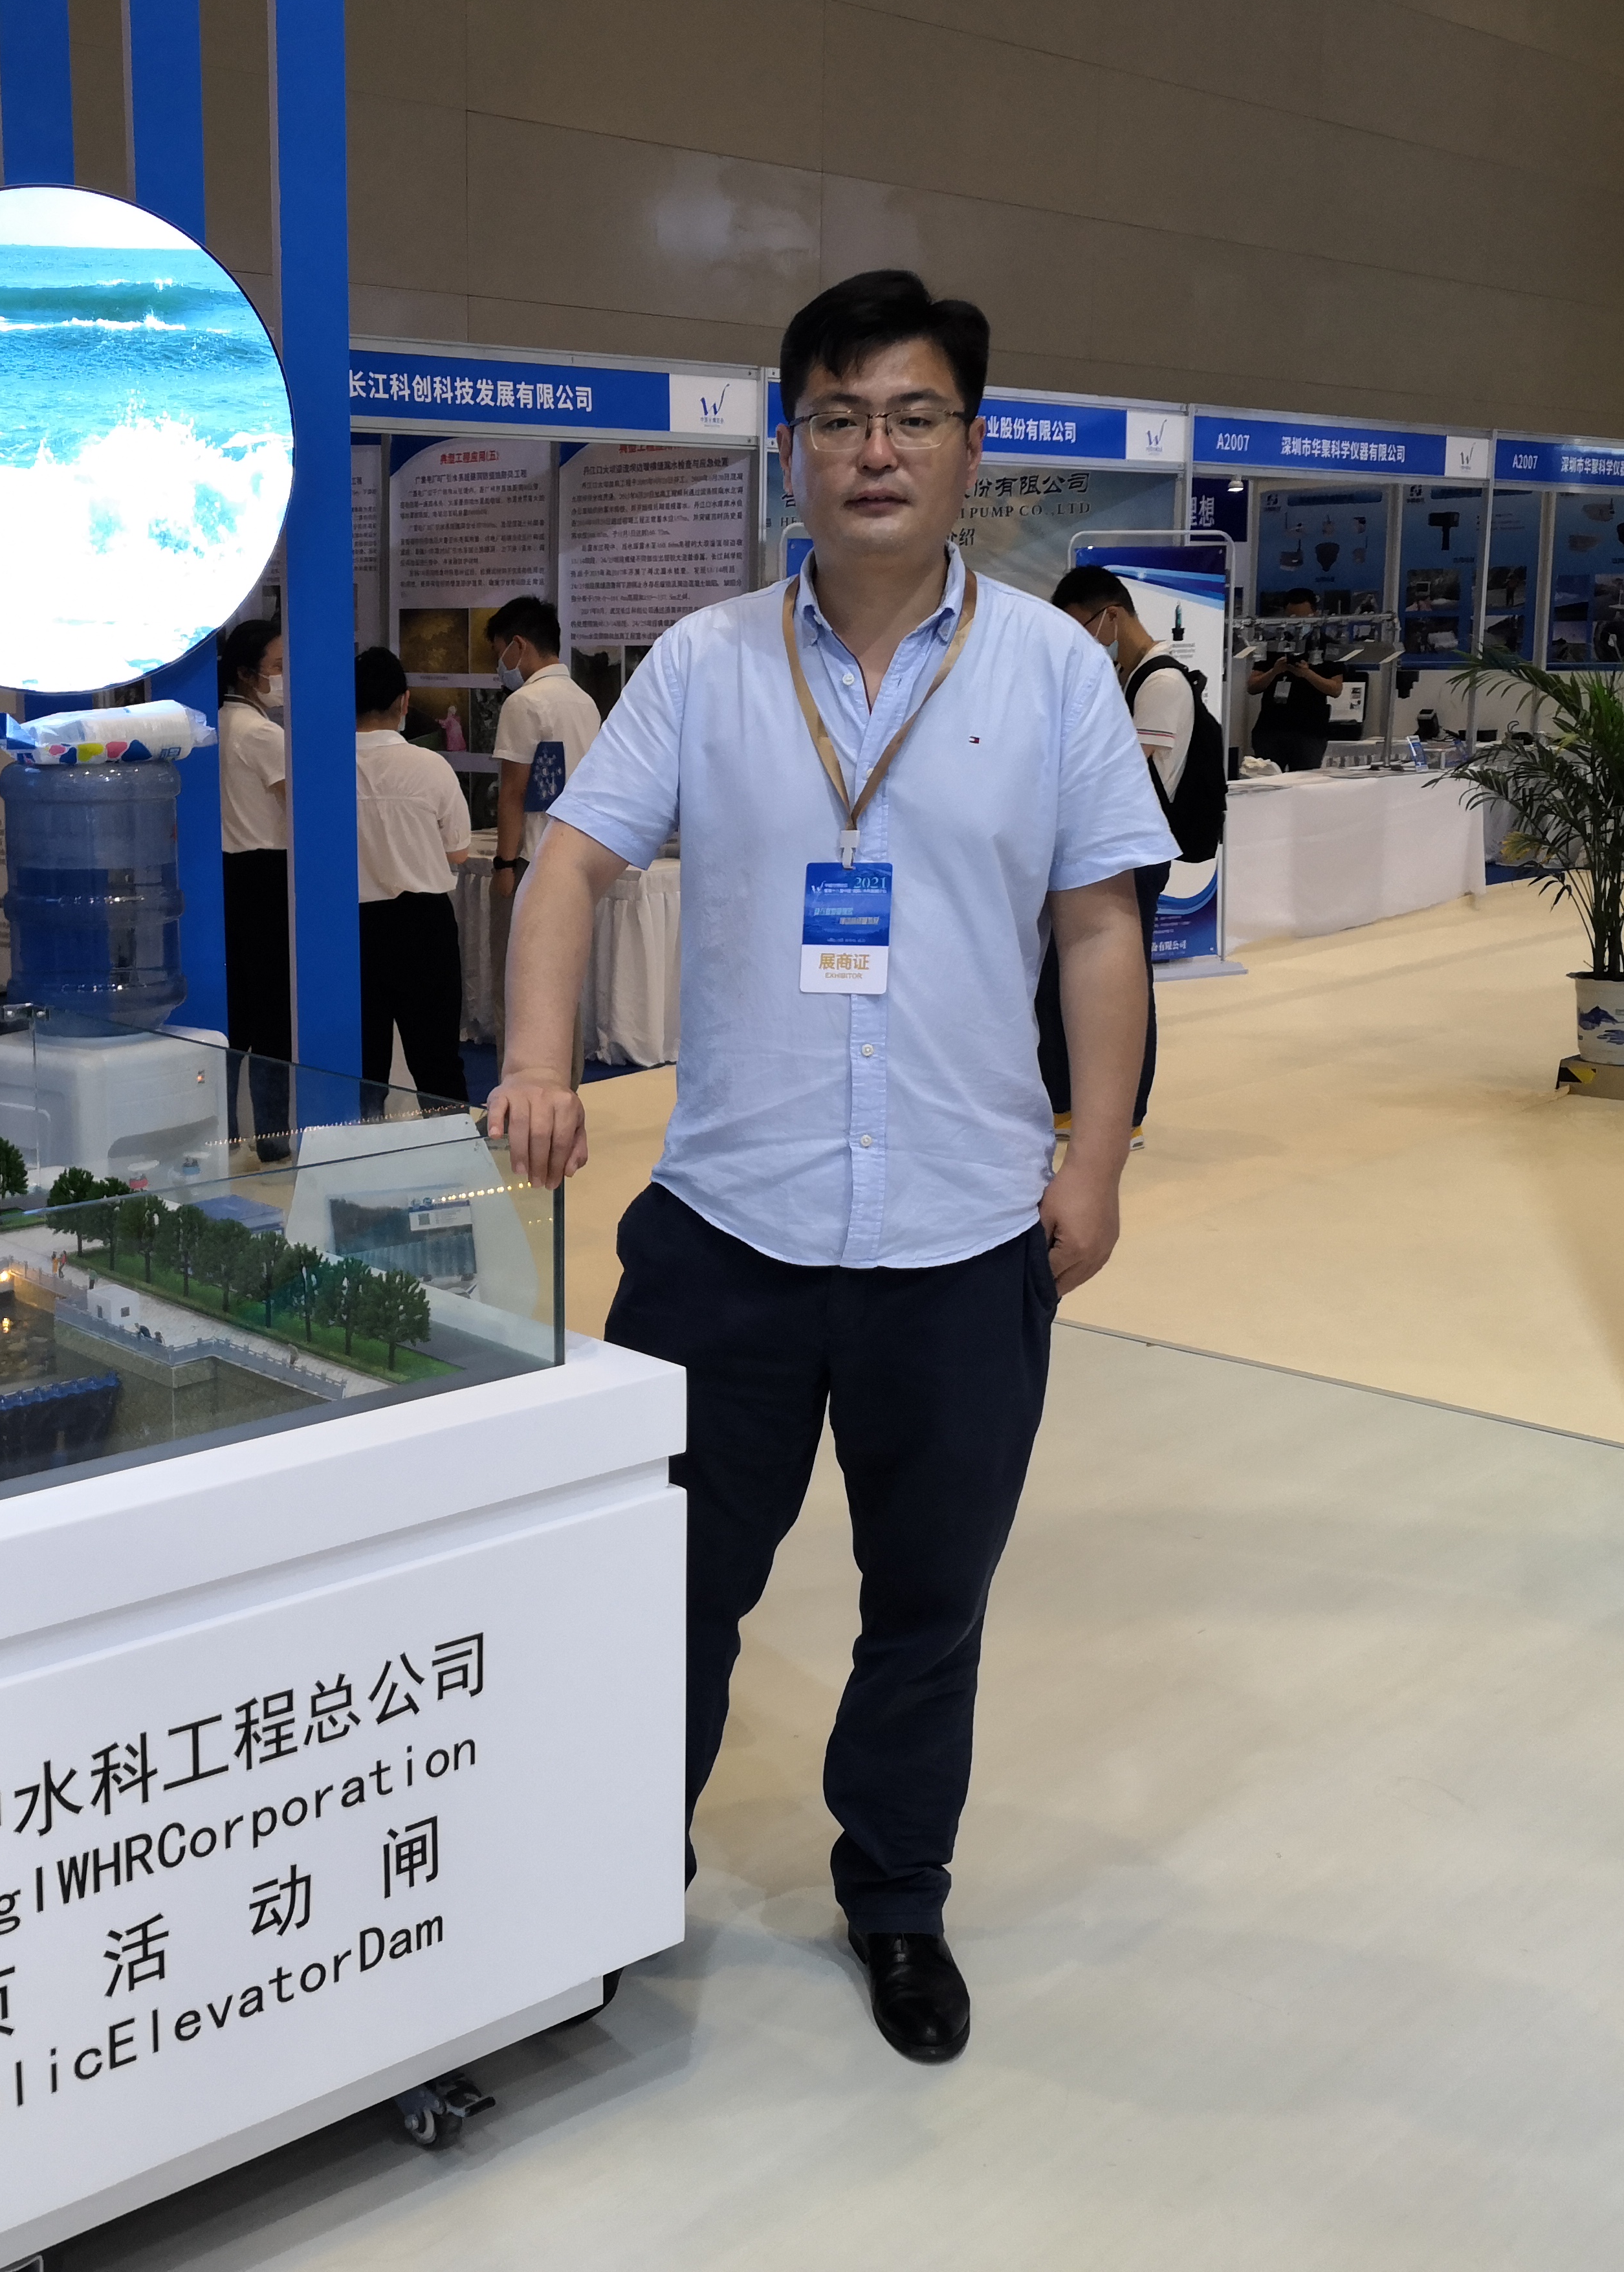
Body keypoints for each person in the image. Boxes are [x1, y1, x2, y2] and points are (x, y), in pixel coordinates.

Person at [487, 269, 1172, 2068]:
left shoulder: (1050, 674)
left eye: (913, 416)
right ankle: (612, 1879)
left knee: (926, 1608)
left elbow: (1099, 931)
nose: (877, 449)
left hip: (963, 1236)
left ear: (970, 449)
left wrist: (1096, 1161)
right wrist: (538, 1064)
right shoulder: (707, 665)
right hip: (729, 1233)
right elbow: (569, 866)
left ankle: (895, 1898)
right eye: (841, 416)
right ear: (790, 446)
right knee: (670, 1589)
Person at [1036, 567, 1193, 1136]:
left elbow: (1123, 770)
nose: (1080, 639)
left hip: (1132, 851)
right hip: (1100, 845)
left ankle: (1126, 1114)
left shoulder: (1163, 681)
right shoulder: (1127, 676)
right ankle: (1066, 1100)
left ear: (1112, 615)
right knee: (1061, 978)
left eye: (1081, 626)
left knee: (1123, 977)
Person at [353, 645, 472, 1103]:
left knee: (362, 1068)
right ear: (404, 702)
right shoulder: (431, 766)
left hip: (353, 927)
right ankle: (452, 1145)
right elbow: (458, 851)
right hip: (423, 925)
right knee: (437, 1062)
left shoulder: (324, 768)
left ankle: (359, 1146)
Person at [483, 595, 598, 1059]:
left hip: (530, 858)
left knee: (516, 986)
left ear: (519, 645)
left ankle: (517, 1088)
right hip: (576, 856)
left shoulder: (525, 703)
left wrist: (503, 864)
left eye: (499, 654)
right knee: (561, 983)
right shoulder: (584, 702)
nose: (500, 666)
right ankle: (564, 1086)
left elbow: (513, 792)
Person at [216, 618, 294, 1140]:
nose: (284, 677)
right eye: (277, 667)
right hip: (266, 876)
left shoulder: (220, 723)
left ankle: (224, 1130)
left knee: (236, 1016)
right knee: (271, 1019)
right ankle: (272, 1137)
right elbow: (302, 805)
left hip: (228, 875)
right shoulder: (262, 733)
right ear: (247, 674)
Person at [1247, 600, 1344, 773]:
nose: (1298, 624)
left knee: (1304, 781)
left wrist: (1307, 674)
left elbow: (1336, 689)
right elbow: (1253, 686)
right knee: (1267, 780)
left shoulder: (1329, 645)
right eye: (1292, 618)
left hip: (1310, 731)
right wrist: (1275, 671)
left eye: (1303, 618)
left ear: (1315, 615)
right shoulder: (1272, 645)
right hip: (1271, 728)